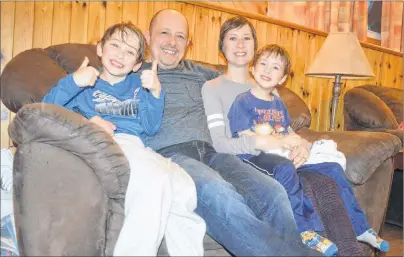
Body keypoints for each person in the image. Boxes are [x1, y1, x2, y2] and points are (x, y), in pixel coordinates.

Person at [201, 15, 389, 256]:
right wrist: (268, 141)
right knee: (309, 183)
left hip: (283, 153)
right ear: (221, 45)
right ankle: (318, 238)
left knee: (328, 174)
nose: (240, 44)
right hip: (253, 159)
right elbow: (220, 143)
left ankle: (354, 243)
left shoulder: (272, 92)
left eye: (246, 37)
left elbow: (286, 129)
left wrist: (302, 145)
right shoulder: (214, 87)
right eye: (232, 38)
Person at [139, 8, 320, 257]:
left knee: (273, 193)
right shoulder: (132, 73)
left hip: (214, 152)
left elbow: (249, 87)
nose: (172, 42)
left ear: (188, 44)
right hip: (173, 155)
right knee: (219, 193)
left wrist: (295, 135)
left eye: (180, 36)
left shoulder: (200, 73)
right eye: (164, 33)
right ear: (148, 37)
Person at [41, 22, 206, 256]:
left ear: (137, 64)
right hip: (102, 143)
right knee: (155, 180)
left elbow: (150, 127)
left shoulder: (139, 84)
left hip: (135, 145)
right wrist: (74, 83)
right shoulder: (84, 82)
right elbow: (44, 111)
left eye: (130, 52)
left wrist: (155, 93)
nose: (120, 54)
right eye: (115, 45)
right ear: (100, 48)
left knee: (184, 187)